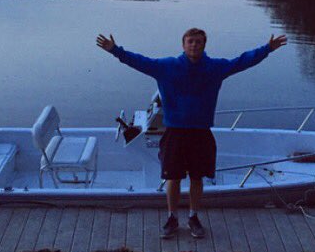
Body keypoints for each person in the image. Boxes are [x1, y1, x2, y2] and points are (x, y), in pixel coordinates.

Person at [96, 27, 287, 239]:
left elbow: (242, 61)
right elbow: (139, 61)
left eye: (198, 41)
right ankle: (171, 218)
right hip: (175, 133)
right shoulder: (166, 67)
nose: (194, 45)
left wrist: (267, 48)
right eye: (190, 41)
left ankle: (193, 217)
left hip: (201, 133)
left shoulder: (215, 68)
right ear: (183, 44)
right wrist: (115, 50)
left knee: (197, 178)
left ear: (204, 45)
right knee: (173, 178)